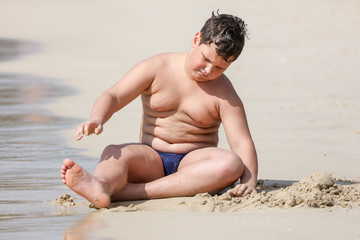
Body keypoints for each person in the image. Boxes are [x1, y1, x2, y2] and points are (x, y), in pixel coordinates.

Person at [61, 11, 258, 208]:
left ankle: (129, 192)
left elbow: (241, 142)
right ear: (196, 39)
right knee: (115, 153)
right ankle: (100, 185)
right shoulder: (157, 67)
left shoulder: (224, 93)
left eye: (219, 68)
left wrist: (249, 182)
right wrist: (97, 118)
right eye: (205, 59)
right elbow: (115, 95)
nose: (208, 71)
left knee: (231, 164)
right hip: (150, 158)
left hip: (194, 167)